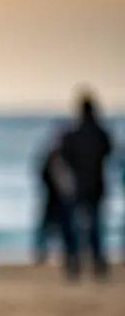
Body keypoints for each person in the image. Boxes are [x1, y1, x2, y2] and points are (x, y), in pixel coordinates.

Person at [61, 91, 114, 280]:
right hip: (97, 186)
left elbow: (63, 157)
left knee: (77, 227)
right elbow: (109, 153)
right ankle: (97, 261)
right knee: (96, 226)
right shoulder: (100, 133)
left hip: (79, 187)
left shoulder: (73, 134)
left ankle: (74, 262)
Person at [34, 122, 79, 279]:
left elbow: (42, 175)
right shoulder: (62, 155)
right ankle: (46, 254)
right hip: (59, 199)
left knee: (57, 230)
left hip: (57, 199)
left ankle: (47, 254)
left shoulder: (57, 154)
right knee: (63, 231)